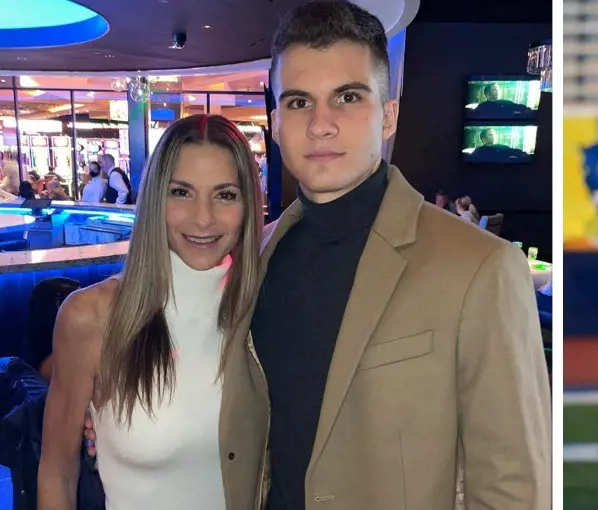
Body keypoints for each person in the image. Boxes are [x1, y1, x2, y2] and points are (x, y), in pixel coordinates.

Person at [86, 2, 551, 509]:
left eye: (348, 97)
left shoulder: (480, 267)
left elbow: (514, 487)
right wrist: (115, 426)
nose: (321, 124)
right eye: (300, 102)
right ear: (276, 120)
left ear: (388, 114)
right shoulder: (256, 256)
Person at [39, 114, 264, 510]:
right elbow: (58, 472)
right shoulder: (92, 316)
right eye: (181, 192)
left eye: (225, 194)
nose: (203, 218)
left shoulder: (262, 304)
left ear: (248, 203)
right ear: (156, 196)